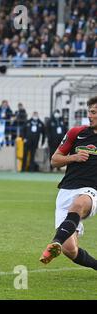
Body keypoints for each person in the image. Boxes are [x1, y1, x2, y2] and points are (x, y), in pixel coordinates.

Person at [39, 96, 97, 271]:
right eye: (90, 112)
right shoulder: (76, 133)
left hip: (91, 190)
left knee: (79, 204)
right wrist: (74, 157)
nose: (90, 116)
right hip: (66, 190)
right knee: (70, 250)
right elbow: (55, 160)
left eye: (94, 112)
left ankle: (55, 242)